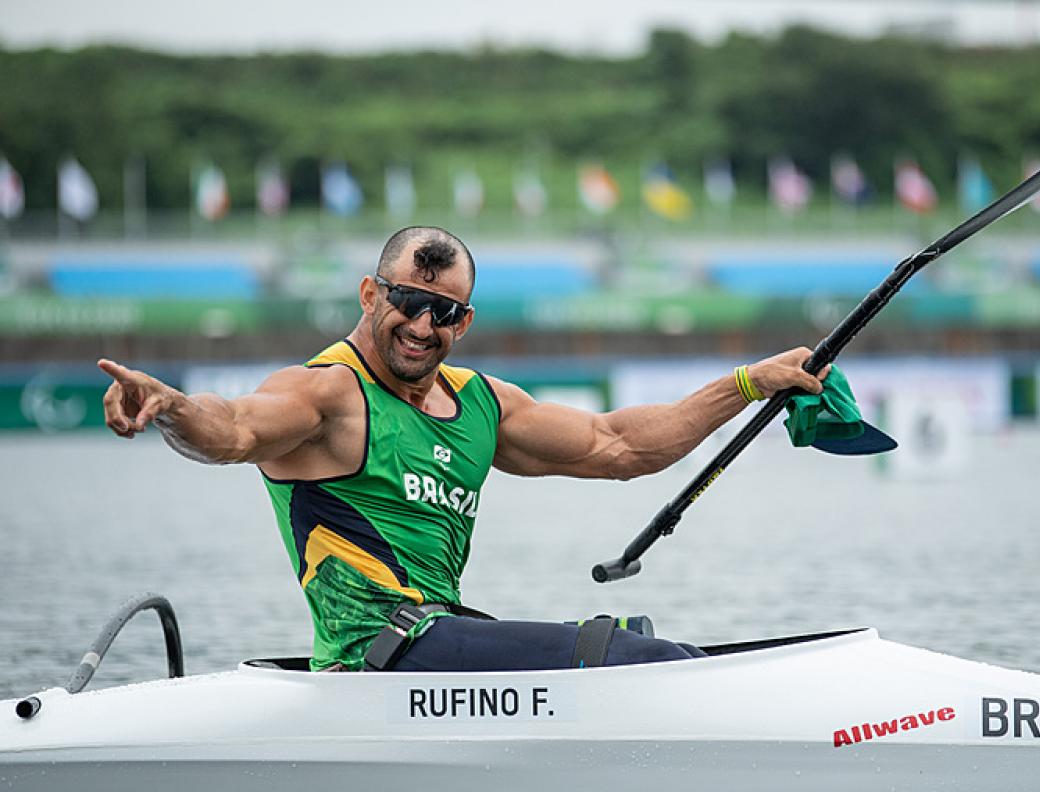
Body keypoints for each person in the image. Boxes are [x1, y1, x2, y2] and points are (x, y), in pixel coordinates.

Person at [99, 226, 828, 673]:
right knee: (627, 659)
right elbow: (234, 430)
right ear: (368, 294)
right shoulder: (326, 395)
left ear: (466, 320)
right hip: (374, 658)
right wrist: (173, 409)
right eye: (407, 301)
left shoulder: (481, 403)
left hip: (438, 643)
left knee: (640, 644)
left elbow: (620, 445)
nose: (422, 325)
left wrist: (749, 381)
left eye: (443, 312)